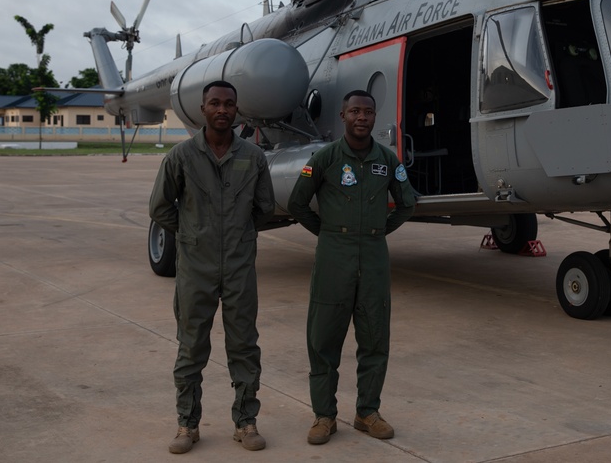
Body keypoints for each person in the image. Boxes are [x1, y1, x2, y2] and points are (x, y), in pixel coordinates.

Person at [149, 80, 276, 454]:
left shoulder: (252, 157)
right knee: (191, 348)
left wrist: (237, 237)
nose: (222, 110)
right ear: (203, 109)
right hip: (195, 269)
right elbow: (159, 207)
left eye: (229, 104)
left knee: (244, 346)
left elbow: (264, 209)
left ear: (237, 111)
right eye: (215, 103)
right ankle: (187, 424)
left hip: (239, 267)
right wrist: (193, 235)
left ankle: (245, 422)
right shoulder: (181, 156)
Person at [287, 90, 416, 445]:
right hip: (333, 256)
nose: (362, 117)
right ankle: (324, 416)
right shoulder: (325, 158)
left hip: (374, 257)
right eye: (355, 111)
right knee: (323, 338)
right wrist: (329, 233)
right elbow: (298, 202)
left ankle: (367, 412)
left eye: (369, 112)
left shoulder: (388, 161)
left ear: (375, 117)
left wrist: (376, 232)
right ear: (342, 115)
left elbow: (407, 203)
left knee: (375, 337)